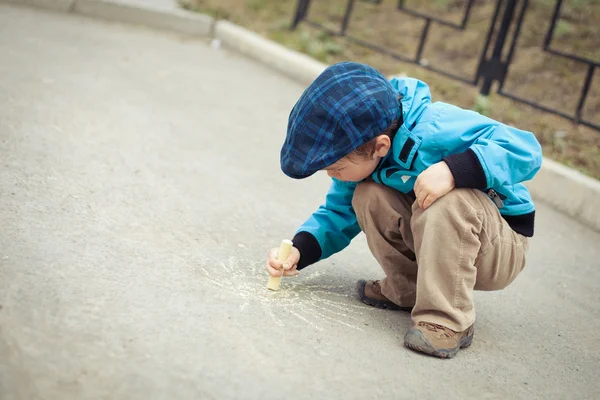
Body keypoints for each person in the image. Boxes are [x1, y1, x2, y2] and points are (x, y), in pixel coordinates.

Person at [265, 62, 542, 358]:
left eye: (336, 167)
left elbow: (526, 149)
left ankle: (447, 320)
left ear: (380, 146)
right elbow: (337, 212)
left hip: (498, 245)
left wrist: (454, 170)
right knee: (368, 195)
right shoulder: (365, 152)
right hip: (442, 234)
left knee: (447, 202)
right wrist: (299, 250)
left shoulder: (437, 126)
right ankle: (407, 290)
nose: (331, 175)